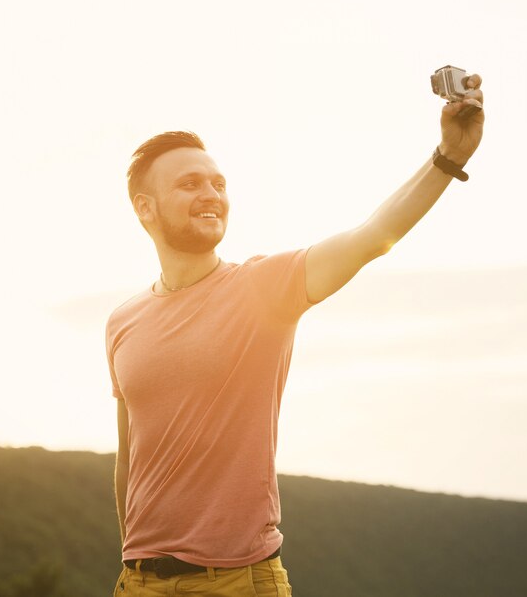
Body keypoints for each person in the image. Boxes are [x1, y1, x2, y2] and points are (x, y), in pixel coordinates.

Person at [105, 74, 484, 596]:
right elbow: (130, 455)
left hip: (237, 582)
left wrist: (448, 157)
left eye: (218, 183)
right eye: (190, 184)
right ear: (145, 208)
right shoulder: (122, 322)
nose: (212, 194)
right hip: (139, 582)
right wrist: (135, 562)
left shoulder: (263, 287)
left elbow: (371, 237)